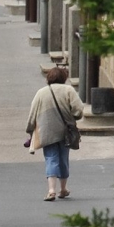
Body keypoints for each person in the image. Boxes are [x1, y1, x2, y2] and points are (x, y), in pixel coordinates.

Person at [25, 66, 88, 201]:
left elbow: (33, 113)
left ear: (49, 78)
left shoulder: (41, 93)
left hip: (47, 130)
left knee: (51, 158)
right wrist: (74, 117)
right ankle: (63, 189)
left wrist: (30, 129)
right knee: (63, 159)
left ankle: (51, 190)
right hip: (65, 131)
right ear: (64, 78)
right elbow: (78, 108)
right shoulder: (69, 90)